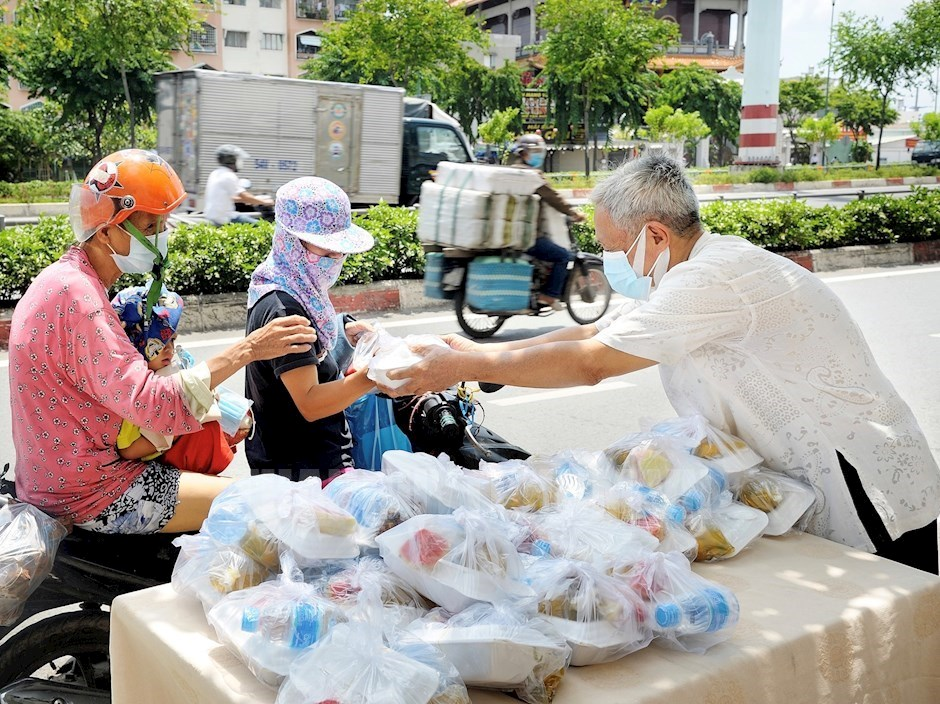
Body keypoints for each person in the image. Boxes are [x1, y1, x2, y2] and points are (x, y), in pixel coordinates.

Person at [380, 153, 940, 575]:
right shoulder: (682, 271)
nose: (611, 263)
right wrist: (474, 358)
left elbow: (592, 364)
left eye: (615, 248)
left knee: (894, 626)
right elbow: (595, 331)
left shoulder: (713, 277)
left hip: (860, 478)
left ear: (654, 234)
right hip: (805, 474)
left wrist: (461, 367)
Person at [8, 149, 316, 534]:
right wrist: (250, 349)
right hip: (92, 490)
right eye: (151, 226)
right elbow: (154, 405)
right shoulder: (78, 297)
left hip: (58, 476)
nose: (163, 236)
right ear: (105, 231)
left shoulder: (64, 280)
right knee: (263, 506)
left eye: (165, 224)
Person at [244, 176, 376, 483]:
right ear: (291, 241)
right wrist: (375, 374)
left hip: (307, 462)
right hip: (306, 472)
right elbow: (311, 402)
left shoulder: (285, 286)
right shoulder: (285, 310)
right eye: (326, 250)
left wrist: (346, 330)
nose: (334, 260)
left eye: (339, 252)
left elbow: (313, 355)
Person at [111, 284, 245, 475]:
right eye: (158, 342)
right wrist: (177, 424)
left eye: (172, 340)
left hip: (196, 463)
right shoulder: (132, 389)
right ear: (135, 341)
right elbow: (128, 449)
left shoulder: (167, 372)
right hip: (171, 470)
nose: (169, 349)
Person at [510, 133, 586, 311]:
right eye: (534, 152)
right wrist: (573, 213)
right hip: (529, 237)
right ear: (524, 153)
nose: (538, 155)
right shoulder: (531, 175)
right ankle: (549, 295)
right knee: (563, 256)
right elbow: (553, 197)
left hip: (510, 235)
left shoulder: (511, 171)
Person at [204, 144, 273, 226]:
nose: (240, 162)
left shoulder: (215, 173)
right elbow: (245, 196)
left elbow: (231, 197)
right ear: (231, 160)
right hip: (225, 218)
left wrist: (253, 199)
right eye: (238, 159)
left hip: (212, 215)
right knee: (264, 227)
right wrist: (265, 202)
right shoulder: (229, 175)